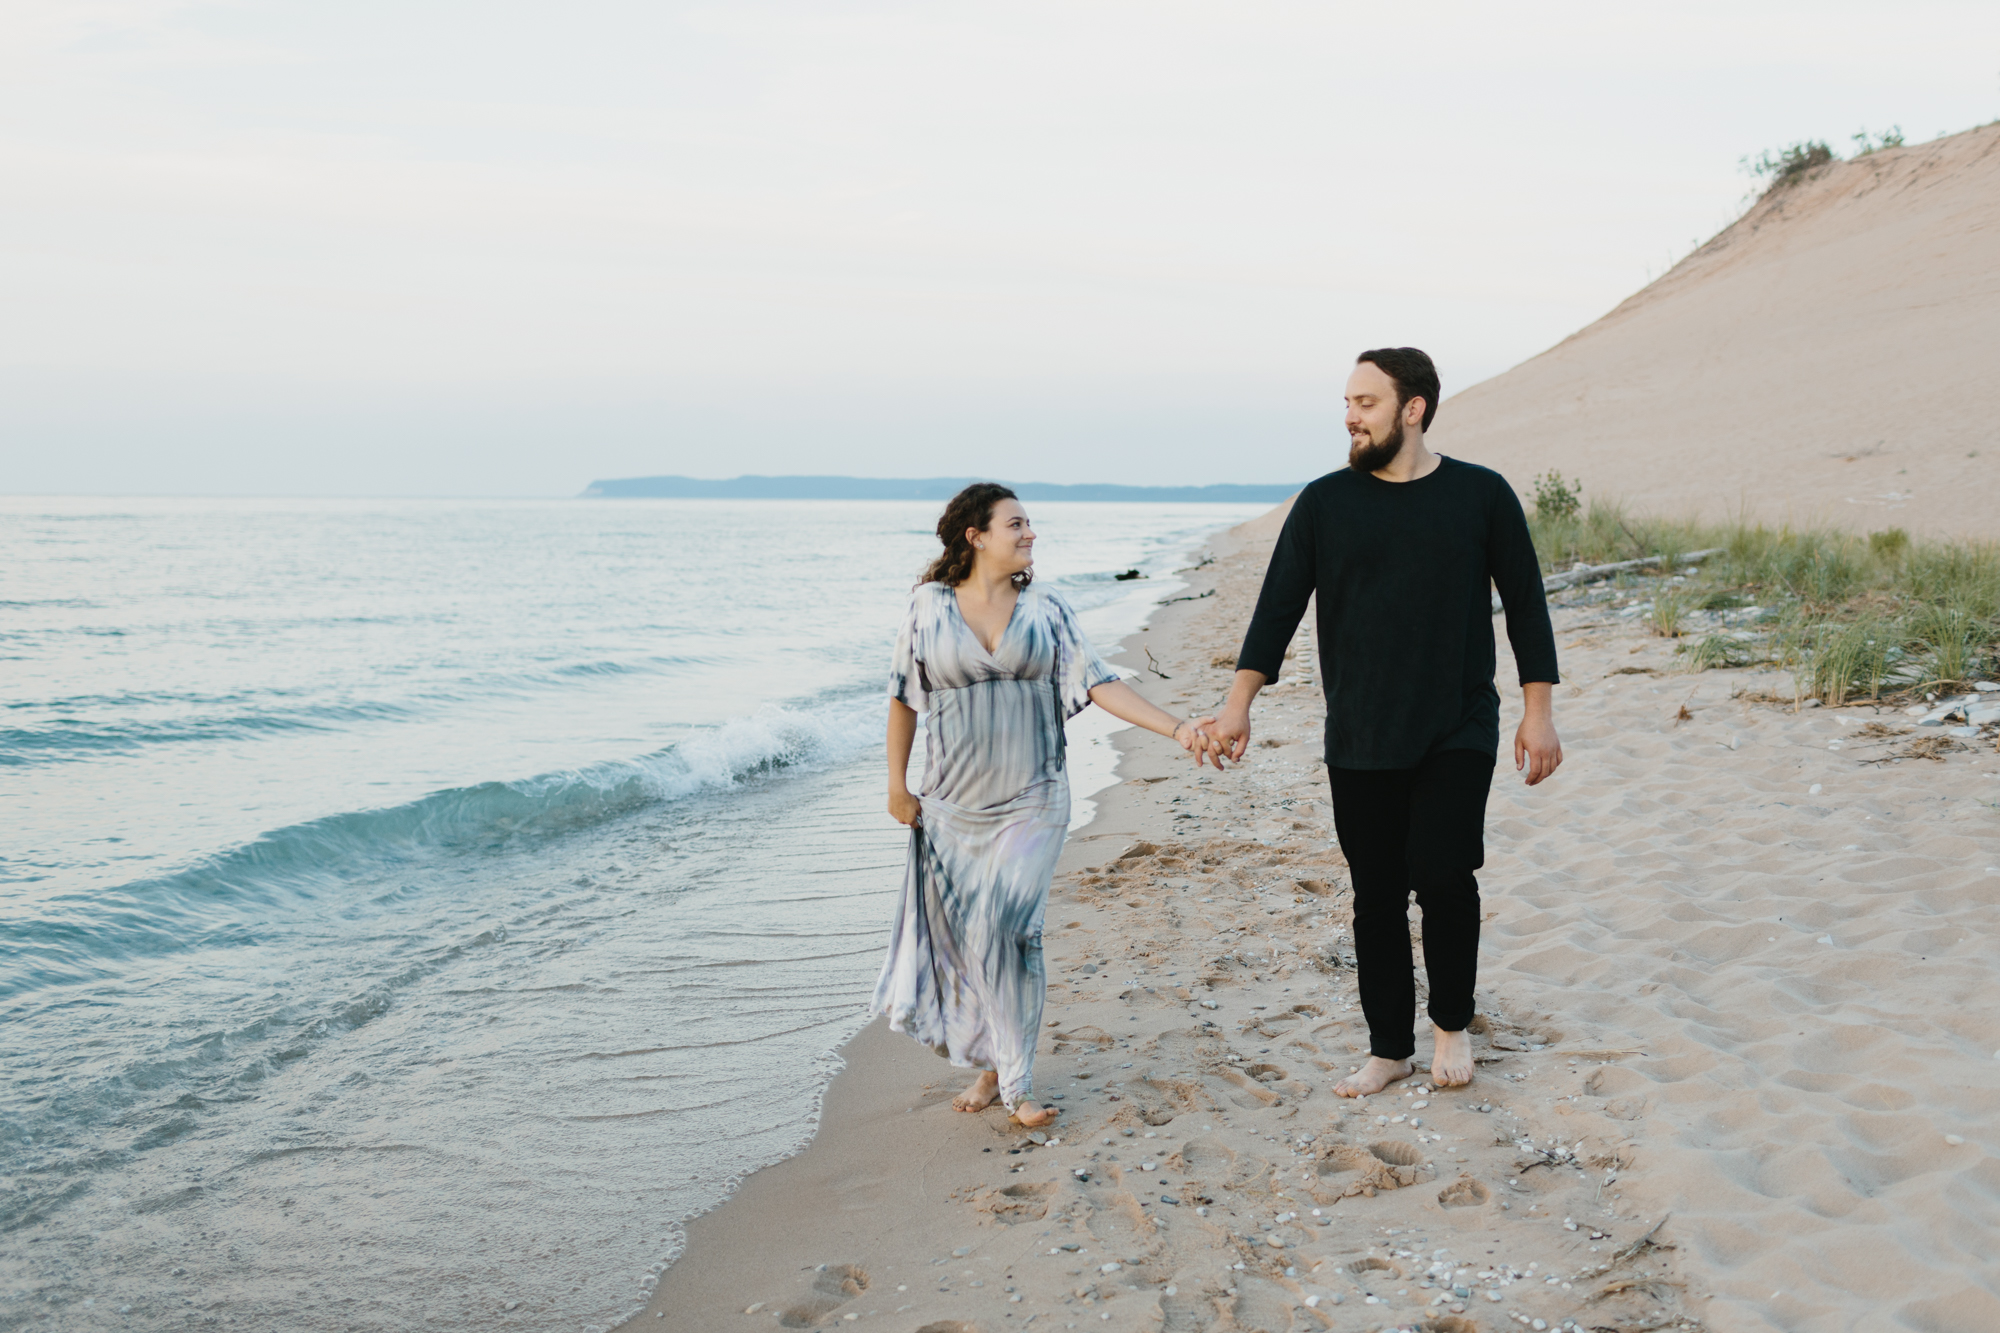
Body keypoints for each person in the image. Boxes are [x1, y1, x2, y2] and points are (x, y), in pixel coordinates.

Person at [1205, 348, 1562, 1096]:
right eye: (1347, 401)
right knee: (1375, 890)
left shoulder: (1480, 495)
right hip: (1361, 731)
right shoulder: (1326, 502)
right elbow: (1278, 606)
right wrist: (1239, 702)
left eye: (1366, 402)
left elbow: (1526, 604)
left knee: (1444, 873)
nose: (1350, 416)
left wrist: (1539, 713)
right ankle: (1389, 1046)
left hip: (1457, 725)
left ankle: (1451, 1025)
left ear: (1414, 408)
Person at [873, 483, 1226, 1127]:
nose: (1030, 532)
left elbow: (1100, 683)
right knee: (971, 938)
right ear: (975, 536)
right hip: (952, 803)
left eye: (1029, 522)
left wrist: (1177, 728)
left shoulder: (1048, 609)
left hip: (1033, 798)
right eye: (1016, 523)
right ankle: (989, 1063)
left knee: (1015, 932)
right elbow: (903, 697)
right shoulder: (926, 607)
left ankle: (1017, 1082)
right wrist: (897, 785)